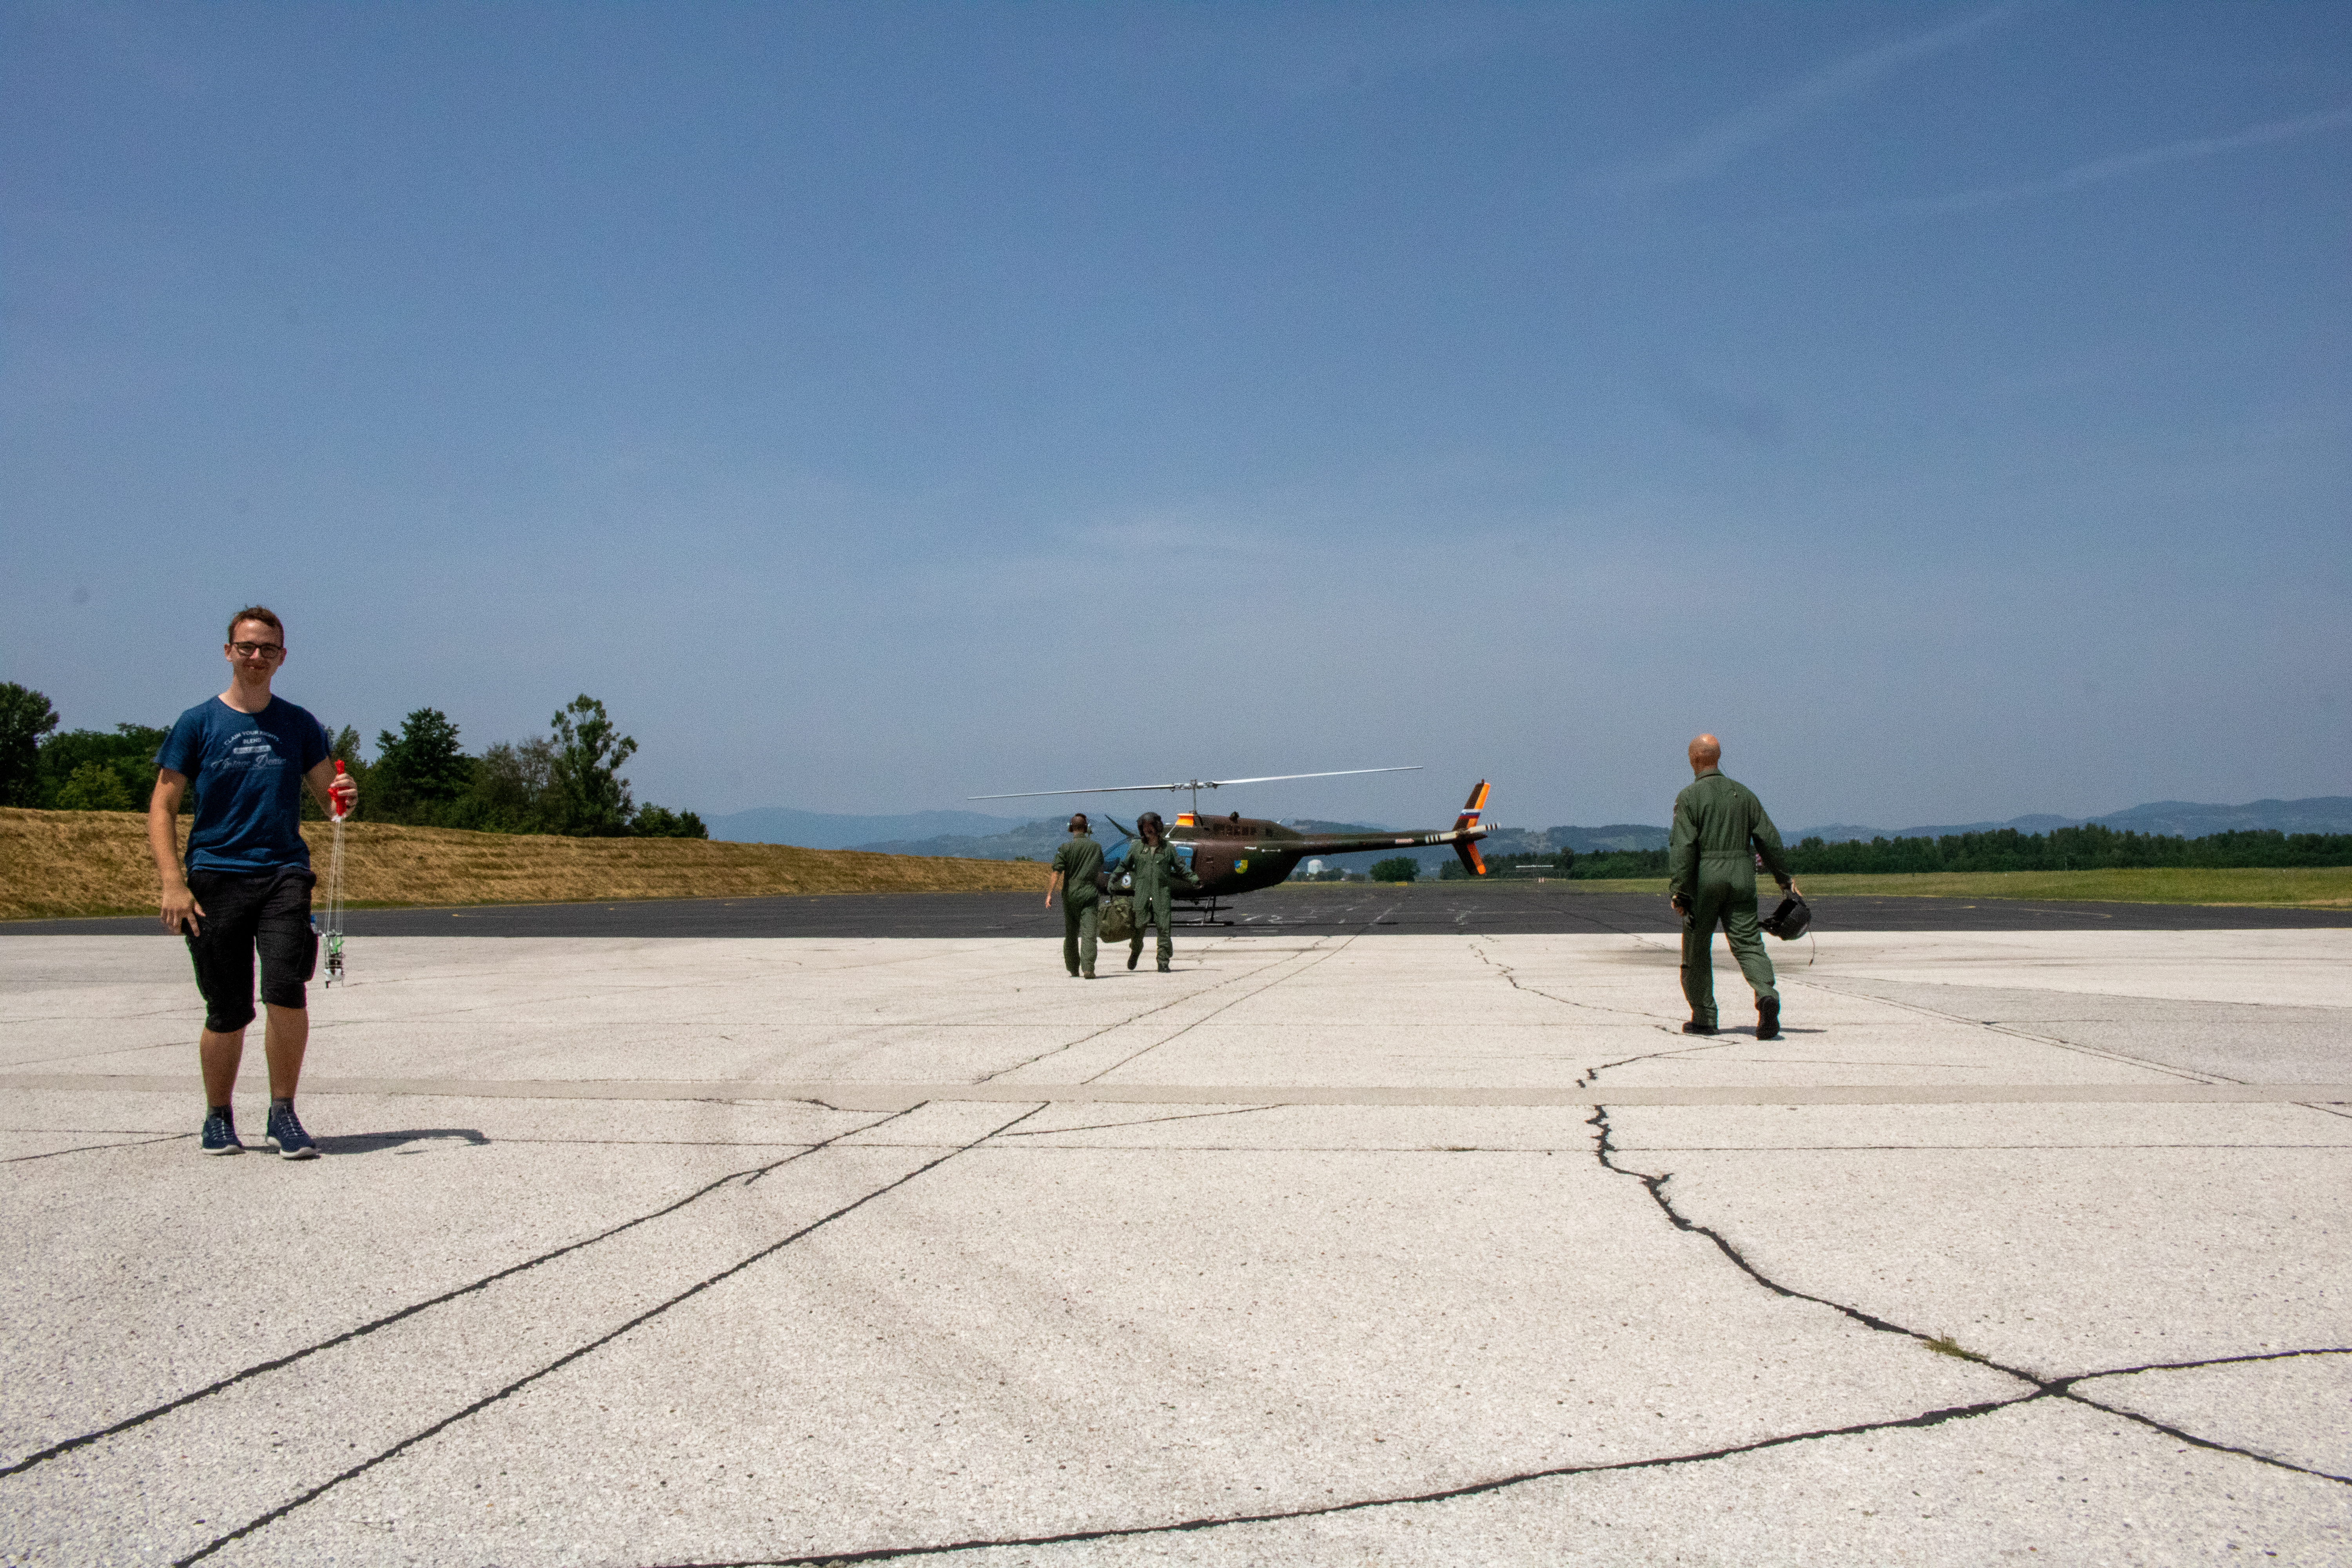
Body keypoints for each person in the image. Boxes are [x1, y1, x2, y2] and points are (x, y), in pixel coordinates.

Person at [148, 607, 357, 1157]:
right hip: (216, 875)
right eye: (247, 647)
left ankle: (283, 1113)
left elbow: (328, 798)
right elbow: (163, 805)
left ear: (282, 657)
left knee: (287, 990)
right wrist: (174, 882)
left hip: (284, 873)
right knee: (228, 1007)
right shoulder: (198, 723)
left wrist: (344, 797)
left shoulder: (299, 724)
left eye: (267, 649)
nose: (257, 657)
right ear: (228, 652)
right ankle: (218, 1116)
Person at [1666, 733, 1800, 1041]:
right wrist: (1785, 881)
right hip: (1742, 878)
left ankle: (1704, 1017)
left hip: (1705, 880)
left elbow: (1683, 848)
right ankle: (1767, 994)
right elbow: (1769, 839)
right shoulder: (1744, 795)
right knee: (1748, 942)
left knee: (1697, 950)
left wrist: (1680, 891)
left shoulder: (1689, 798)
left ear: (1695, 759)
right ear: (1717, 757)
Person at [1123, 811, 1201, 972]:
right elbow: (1124, 865)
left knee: (1164, 928)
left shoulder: (1168, 849)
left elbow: (1180, 867)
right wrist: (1113, 879)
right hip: (1142, 894)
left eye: (1150, 827)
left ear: (1157, 828)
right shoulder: (1136, 847)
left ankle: (1163, 962)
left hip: (1161, 894)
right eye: (1144, 827)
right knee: (1138, 928)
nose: (1147, 831)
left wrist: (1194, 879)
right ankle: (1135, 952)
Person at [1045, 811, 1104, 979]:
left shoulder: (1065, 848)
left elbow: (1056, 872)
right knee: (1089, 933)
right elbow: (1099, 870)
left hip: (1070, 896)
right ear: (1087, 828)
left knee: (1071, 934)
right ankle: (1088, 968)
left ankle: (1073, 968)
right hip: (1089, 895)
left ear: (1071, 828)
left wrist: (1050, 894)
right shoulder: (1096, 847)